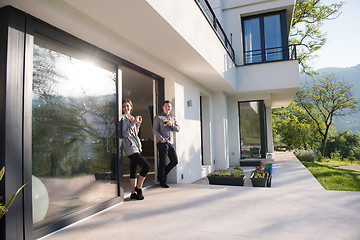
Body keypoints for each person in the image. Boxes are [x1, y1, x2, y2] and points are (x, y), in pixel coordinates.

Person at [122, 99, 150, 200]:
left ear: (131, 107)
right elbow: (125, 134)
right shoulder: (123, 119)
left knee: (133, 169)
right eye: (124, 106)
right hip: (130, 148)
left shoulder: (132, 117)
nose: (126, 108)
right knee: (146, 166)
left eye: (127, 106)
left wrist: (138, 124)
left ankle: (133, 193)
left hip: (137, 146)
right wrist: (133, 123)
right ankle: (139, 188)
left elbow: (135, 133)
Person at [153, 100, 180, 188]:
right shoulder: (158, 117)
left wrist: (172, 125)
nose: (167, 108)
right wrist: (161, 139)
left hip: (170, 142)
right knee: (163, 163)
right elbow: (155, 130)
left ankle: (161, 176)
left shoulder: (173, 118)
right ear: (163, 107)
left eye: (169, 106)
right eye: (166, 106)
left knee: (175, 161)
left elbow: (178, 129)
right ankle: (162, 181)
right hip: (162, 143)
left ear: (171, 108)